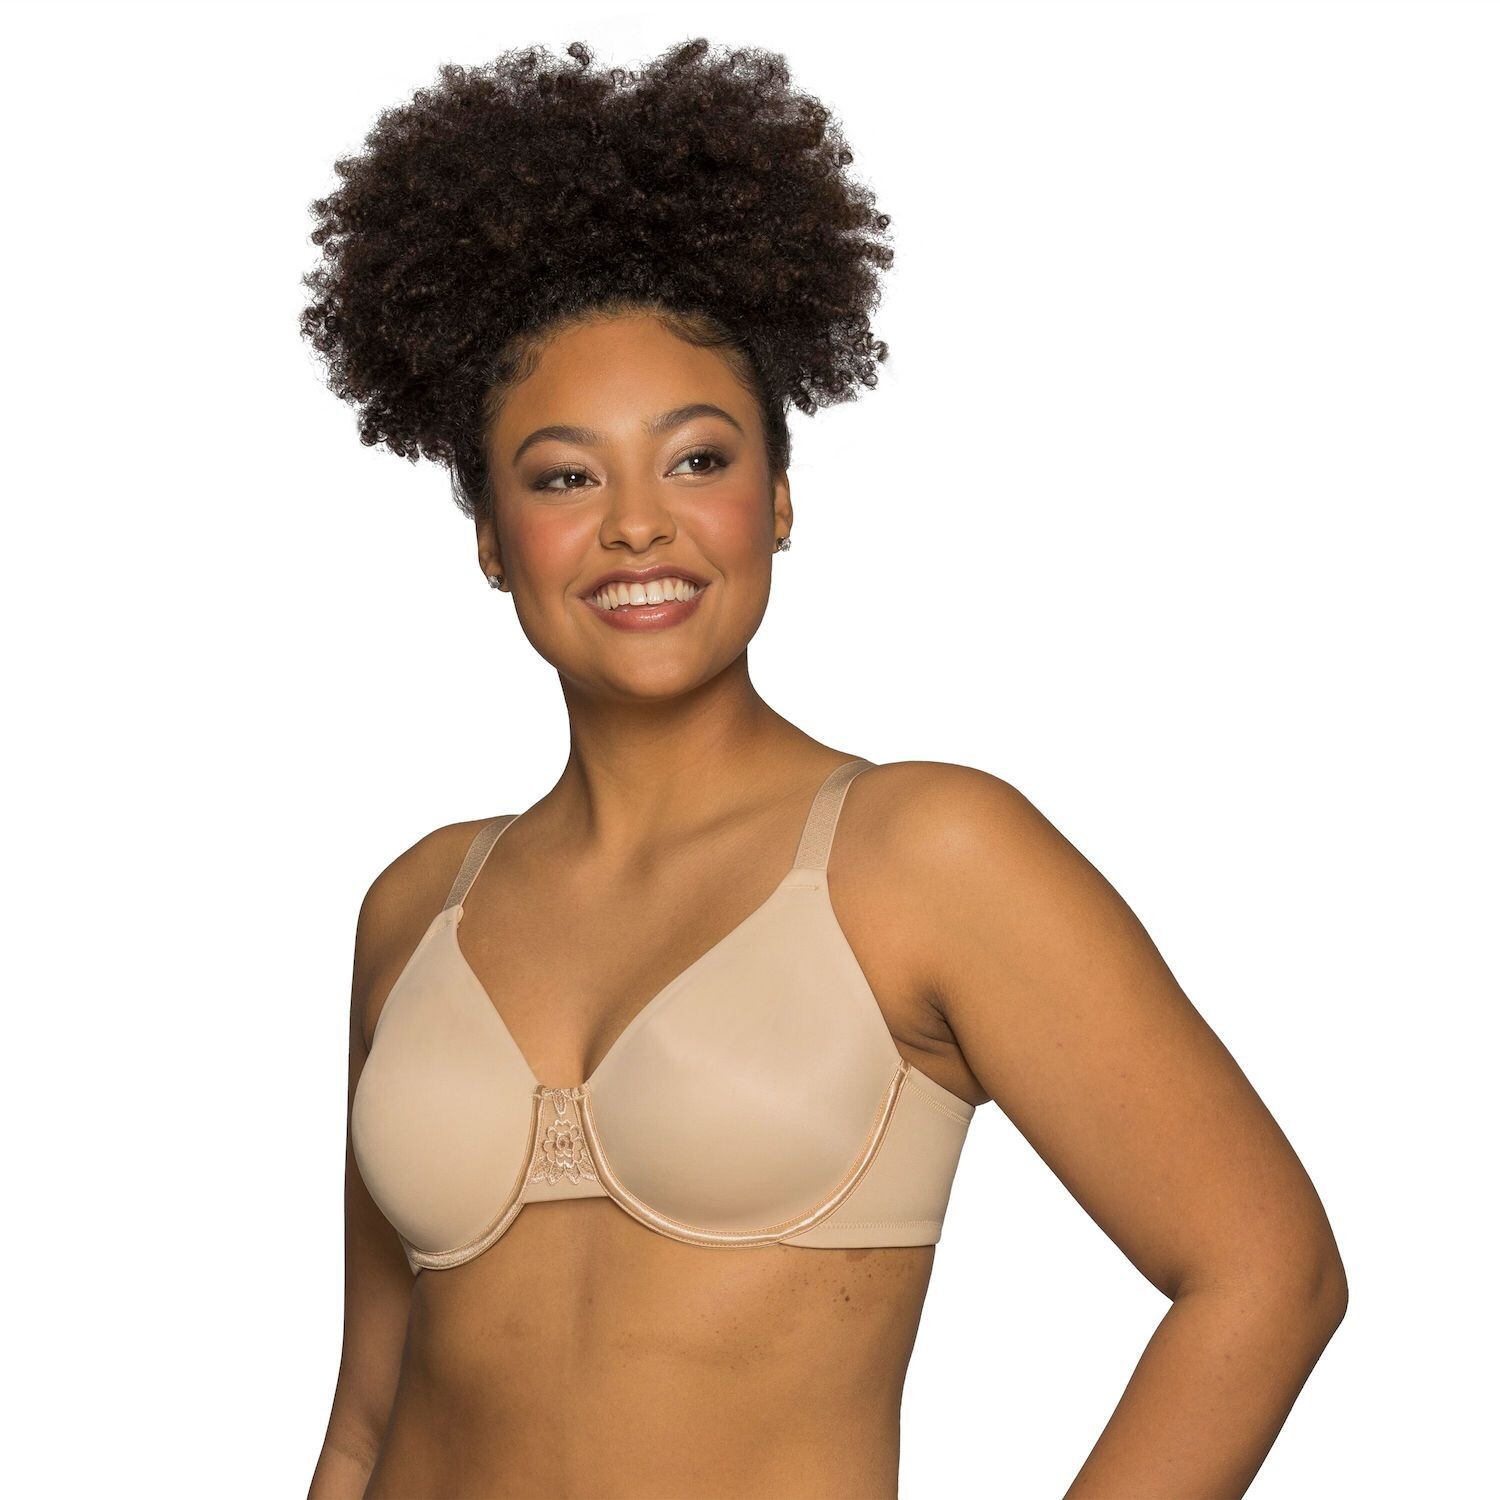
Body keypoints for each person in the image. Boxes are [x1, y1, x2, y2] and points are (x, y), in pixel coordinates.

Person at [301, 38, 1346, 1500]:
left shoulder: (925, 855)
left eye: (699, 459)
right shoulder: (417, 907)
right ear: (489, 537)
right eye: (564, 476)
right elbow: (368, 1411)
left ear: (780, 501)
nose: (638, 524)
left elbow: (1268, 1274)